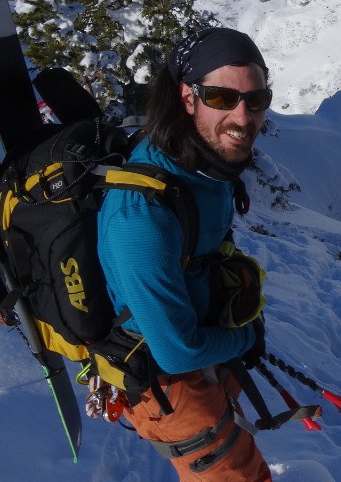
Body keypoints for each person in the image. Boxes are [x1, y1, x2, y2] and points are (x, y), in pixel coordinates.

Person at [97, 27, 273, 481]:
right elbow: (177, 351)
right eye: (221, 97)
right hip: (165, 378)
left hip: (202, 335)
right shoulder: (142, 216)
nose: (243, 115)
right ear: (187, 97)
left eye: (256, 100)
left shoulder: (202, 162)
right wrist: (245, 337)